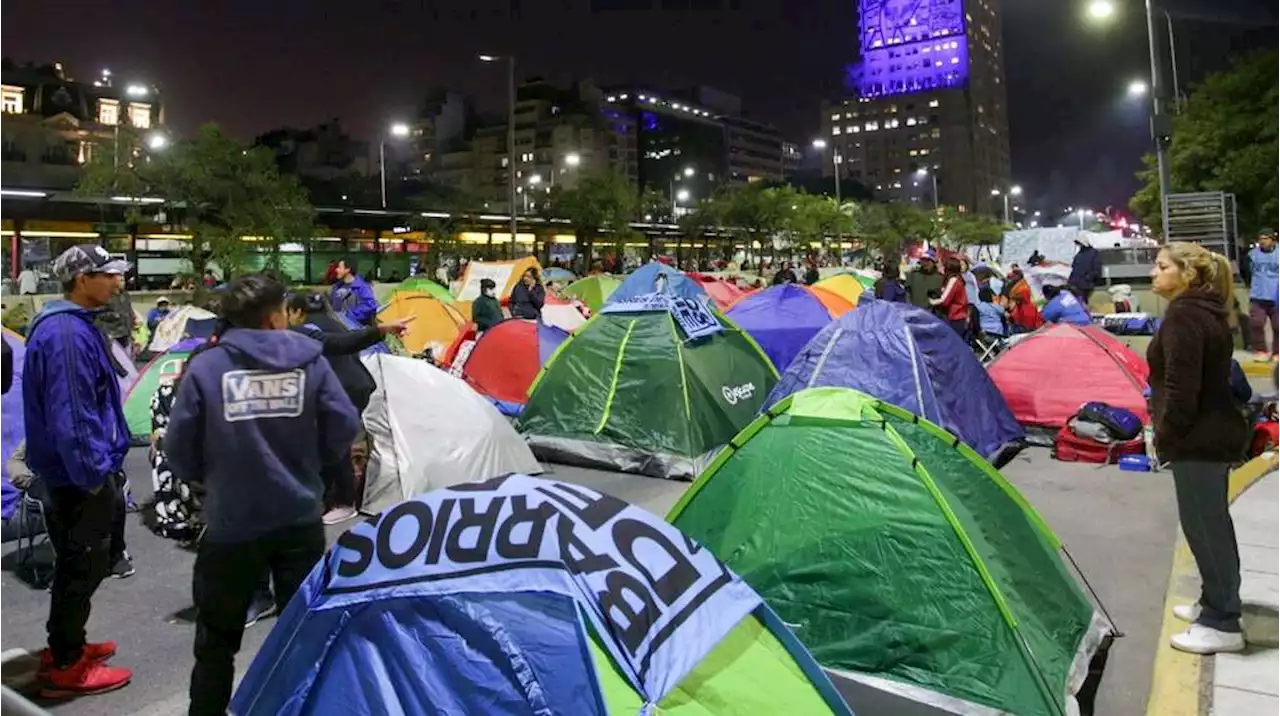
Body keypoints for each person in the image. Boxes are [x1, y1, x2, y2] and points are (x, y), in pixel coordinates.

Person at [166, 274, 360, 716]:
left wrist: (211, 478)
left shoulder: (208, 366)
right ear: (276, 316)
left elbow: (179, 446)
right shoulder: (309, 362)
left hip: (232, 523)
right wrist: (314, 466)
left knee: (215, 642)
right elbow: (343, 426)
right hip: (298, 518)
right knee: (300, 635)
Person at [22, 245, 134, 697]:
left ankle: (66, 646)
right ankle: (66, 666)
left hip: (70, 473)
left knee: (78, 565)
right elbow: (74, 414)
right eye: (107, 274)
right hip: (77, 478)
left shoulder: (68, 326)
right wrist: (93, 477)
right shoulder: (67, 333)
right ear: (81, 279)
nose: (117, 282)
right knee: (82, 566)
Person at [1148, 243, 1249, 655]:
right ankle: (1214, 602)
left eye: (1161, 266)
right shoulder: (1205, 309)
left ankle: (1223, 620)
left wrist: (1165, 436)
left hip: (1198, 439)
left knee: (1206, 530)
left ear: (1186, 274)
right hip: (1211, 434)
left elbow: (1181, 389)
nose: (1153, 273)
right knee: (1209, 526)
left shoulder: (1184, 315)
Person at [286, 292, 407, 524]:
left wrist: (381, 330)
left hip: (344, 390)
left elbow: (338, 345)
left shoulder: (302, 332)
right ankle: (327, 496)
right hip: (354, 385)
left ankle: (343, 501)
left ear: (296, 313)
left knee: (334, 444)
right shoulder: (331, 322)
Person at [1241, 228, 1280, 361]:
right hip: (1258, 295)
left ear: (1273, 241)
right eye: (1261, 239)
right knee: (1256, 323)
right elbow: (1244, 271)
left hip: (1277, 295)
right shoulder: (1252, 255)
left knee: (1278, 325)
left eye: (1266, 238)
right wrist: (1250, 285)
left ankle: (1278, 352)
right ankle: (1261, 350)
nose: (1263, 241)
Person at [329, 259, 378, 326]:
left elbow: (370, 306)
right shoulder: (336, 287)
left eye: (339, 267)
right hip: (338, 329)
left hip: (355, 331)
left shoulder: (362, 287)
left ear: (348, 269)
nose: (336, 270)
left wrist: (348, 316)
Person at [930, 257, 970, 339]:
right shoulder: (957, 279)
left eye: (944, 266)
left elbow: (944, 300)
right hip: (958, 316)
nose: (942, 268)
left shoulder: (953, 280)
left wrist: (931, 302)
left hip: (955, 316)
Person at [1004, 267, 1043, 333]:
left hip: (1026, 328)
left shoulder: (1021, 290)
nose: (1011, 278)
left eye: (1014, 276)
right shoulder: (1026, 288)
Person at [1068, 235, 1102, 303]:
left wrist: (1088, 277)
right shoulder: (1078, 255)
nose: (1079, 245)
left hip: (1085, 284)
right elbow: (1074, 268)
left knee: (1083, 303)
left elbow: (1097, 269)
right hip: (1075, 284)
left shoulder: (1094, 253)